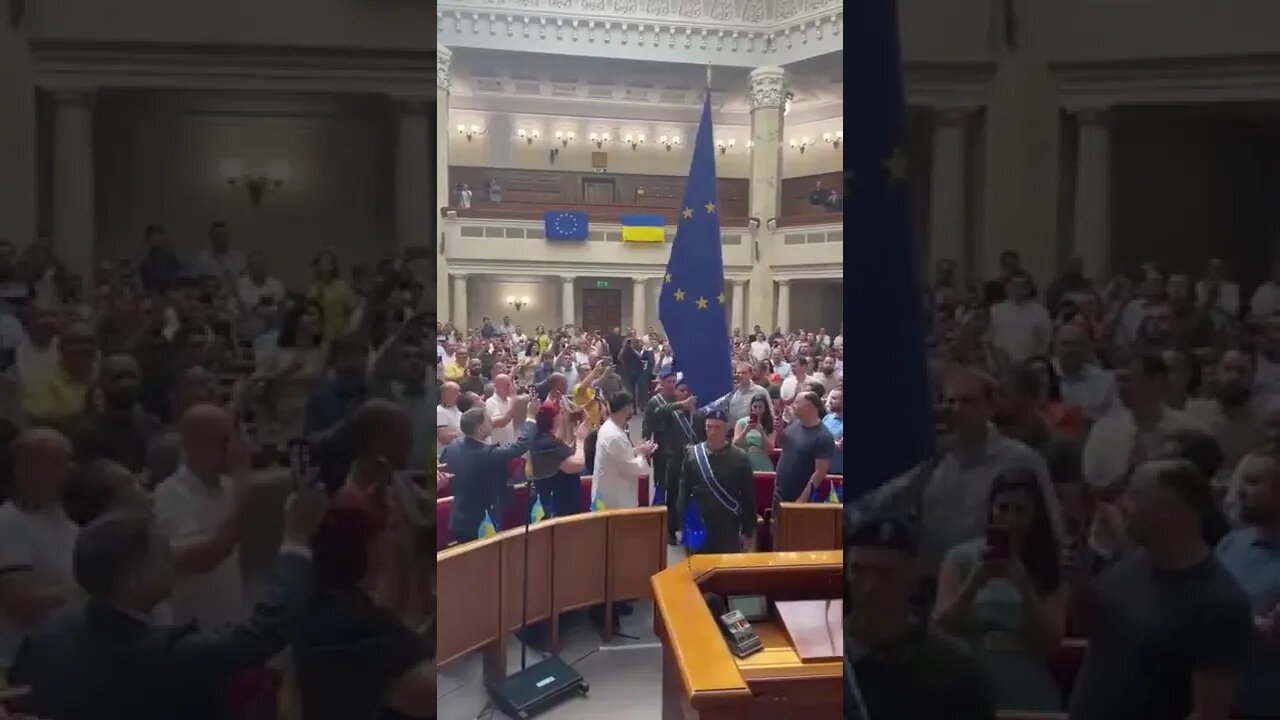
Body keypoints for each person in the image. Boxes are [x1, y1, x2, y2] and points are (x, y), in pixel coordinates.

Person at [7, 484, 326, 720]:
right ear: (136, 580)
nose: (172, 563)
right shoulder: (161, 655)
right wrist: (296, 540)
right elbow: (265, 631)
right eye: (162, 557)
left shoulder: (49, 633)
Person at [1067, 459, 1254, 720]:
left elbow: (1210, 713)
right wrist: (1079, 585)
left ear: (1169, 509)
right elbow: (1089, 629)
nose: (1122, 505)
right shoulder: (1127, 561)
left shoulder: (1219, 603)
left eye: (1135, 495)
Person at [932, 468, 1065, 712]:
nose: (1010, 519)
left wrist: (1025, 589)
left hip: (1028, 691)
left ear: (1035, 515)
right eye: (1003, 508)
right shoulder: (959, 559)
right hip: (971, 688)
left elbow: (1052, 644)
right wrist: (974, 583)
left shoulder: (1047, 564)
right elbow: (941, 626)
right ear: (991, 510)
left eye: (1020, 511)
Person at [847, 513, 997, 720]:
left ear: (913, 575)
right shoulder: (823, 659)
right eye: (858, 572)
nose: (870, 587)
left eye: (885, 574)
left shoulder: (952, 669)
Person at [293, 501, 435, 720]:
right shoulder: (359, 627)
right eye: (383, 531)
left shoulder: (319, 606)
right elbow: (429, 696)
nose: (387, 539)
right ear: (366, 548)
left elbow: (394, 624)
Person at [0, 430, 80, 677]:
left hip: (68, 651)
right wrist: (92, 589)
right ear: (21, 469)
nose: (66, 471)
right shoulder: (9, 523)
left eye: (67, 461)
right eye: (54, 464)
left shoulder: (67, 518)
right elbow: (22, 605)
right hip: (26, 660)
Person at [1214, 452, 1280, 718]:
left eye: (1252, 482)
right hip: (1223, 701)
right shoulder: (1230, 544)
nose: (1239, 491)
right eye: (1240, 480)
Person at [441, 400, 536, 543]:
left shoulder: (451, 448)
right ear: (479, 430)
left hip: (459, 518)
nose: (491, 422)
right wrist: (530, 417)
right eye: (488, 421)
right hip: (483, 522)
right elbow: (521, 446)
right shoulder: (488, 453)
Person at [679, 409, 756, 554]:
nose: (712, 431)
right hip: (699, 522)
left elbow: (748, 496)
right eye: (709, 427)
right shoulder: (693, 455)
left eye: (717, 427)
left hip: (727, 525)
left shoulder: (739, 458)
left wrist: (747, 531)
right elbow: (684, 491)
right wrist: (683, 525)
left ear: (726, 428)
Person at [590, 391, 657, 510]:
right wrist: (642, 454)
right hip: (616, 502)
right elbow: (633, 468)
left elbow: (618, 458)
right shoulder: (615, 436)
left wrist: (637, 450)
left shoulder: (608, 427)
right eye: (631, 406)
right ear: (626, 408)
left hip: (609, 495)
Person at [771, 391, 834, 514]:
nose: (793, 405)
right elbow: (784, 445)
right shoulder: (795, 423)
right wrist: (779, 431)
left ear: (808, 407)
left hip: (799, 498)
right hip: (779, 492)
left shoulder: (823, 437)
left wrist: (802, 500)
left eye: (797, 402)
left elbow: (819, 473)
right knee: (776, 531)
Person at [527, 401, 592, 519]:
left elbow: (565, 450)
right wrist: (580, 440)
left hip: (560, 503)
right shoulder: (547, 444)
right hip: (558, 508)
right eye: (559, 413)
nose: (562, 415)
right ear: (553, 418)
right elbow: (577, 465)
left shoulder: (543, 439)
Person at [732, 394, 776, 472]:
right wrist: (745, 431)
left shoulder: (769, 425)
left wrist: (762, 432)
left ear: (765, 409)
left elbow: (770, 449)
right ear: (751, 407)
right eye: (755, 407)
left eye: (760, 407)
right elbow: (735, 444)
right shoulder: (741, 422)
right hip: (744, 462)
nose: (757, 410)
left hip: (762, 463)